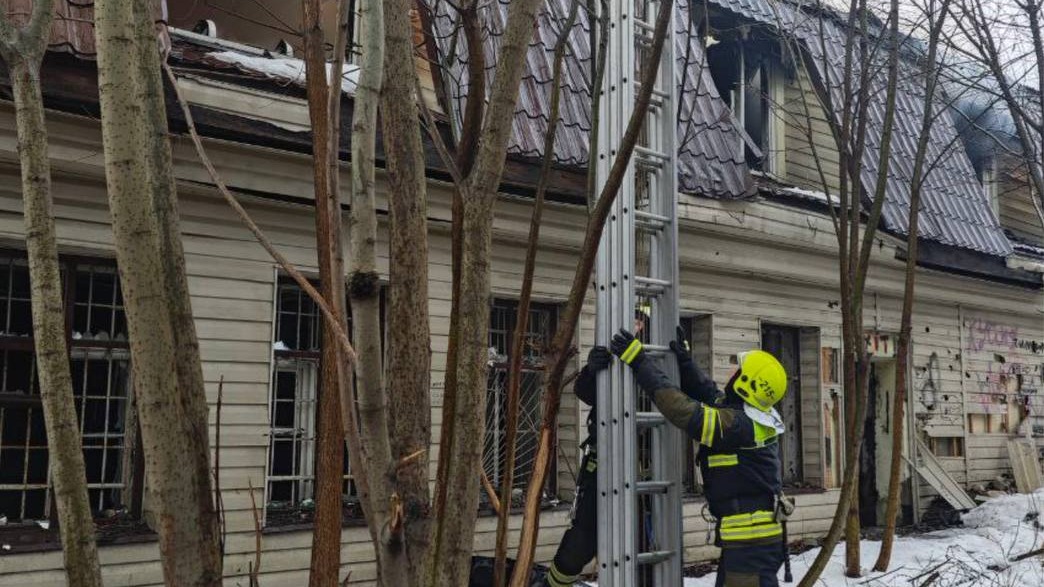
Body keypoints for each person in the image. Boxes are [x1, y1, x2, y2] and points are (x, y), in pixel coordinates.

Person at [610, 328, 792, 587]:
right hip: (751, 541)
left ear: (747, 383)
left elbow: (684, 412)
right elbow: (709, 393)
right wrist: (685, 362)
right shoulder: (749, 416)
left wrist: (639, 362)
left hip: (750, 542)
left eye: (739, 371)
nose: (733, 373)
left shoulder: (738, 425)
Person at [544, 325, 708, 587]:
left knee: (643, 548)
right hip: (603, 465)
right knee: (580, 542)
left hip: (647, 473)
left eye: (640, 322)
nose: (635, 325)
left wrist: (684, 363)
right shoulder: (616, 350)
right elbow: (585, 392)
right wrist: (591, 371)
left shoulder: (664, 358)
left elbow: (688, 396)